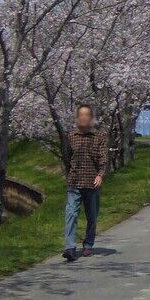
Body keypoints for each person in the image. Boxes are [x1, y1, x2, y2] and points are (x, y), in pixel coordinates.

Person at [59, 105, 110, 262]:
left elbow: (103, 158)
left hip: (92, 183)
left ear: (91, 118)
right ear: (76, 118)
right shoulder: (70, 136)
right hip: (74, 182)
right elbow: (67, 157)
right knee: (71, 214)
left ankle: (88, 244)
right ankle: (70, 248)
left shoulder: (99, 136)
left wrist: (100, 175)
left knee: (92, 216)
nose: (83, 118)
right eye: (81, 115)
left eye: (87, 115)